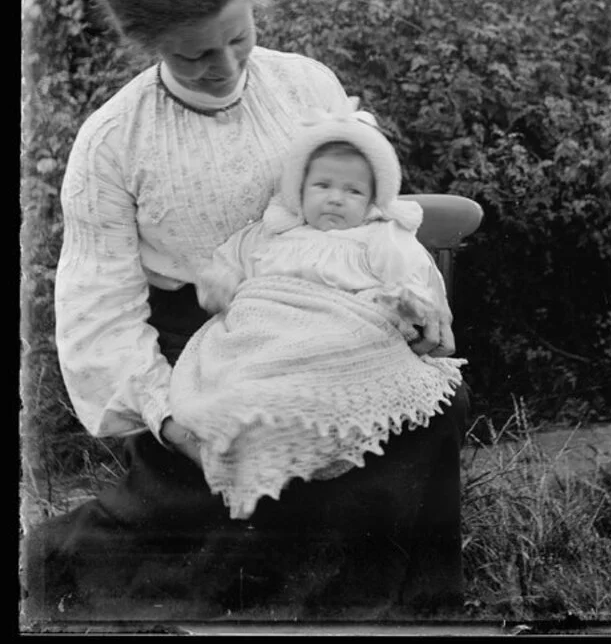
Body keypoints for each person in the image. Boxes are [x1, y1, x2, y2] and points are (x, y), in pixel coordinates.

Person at [22, 0, 469, 623]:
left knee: (422, 413)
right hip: (204, 354)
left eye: (240, 36)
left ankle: (401, 617)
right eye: (195, 54)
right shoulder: (112, 145)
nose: (226, 66)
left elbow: (375, 211)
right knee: (230, 517)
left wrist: (419, 309)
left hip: (336, 323)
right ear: (147, 44)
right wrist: (175, 421)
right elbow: (98, 320)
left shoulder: (307, 86)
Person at [169, 99, 466, 520]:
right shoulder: (273, 233)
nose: (335, 199)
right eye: (322, 186)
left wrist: (408, 303)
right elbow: (229, 268)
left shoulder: (380, 238)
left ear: (373, 199)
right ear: (299, 189)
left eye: (353, 191)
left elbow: (416, 282)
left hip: (341, 335)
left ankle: (321, 434)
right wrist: (219, 286)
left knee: (348, 354)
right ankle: (255, 433)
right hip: (270, 331)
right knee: (243, 373)